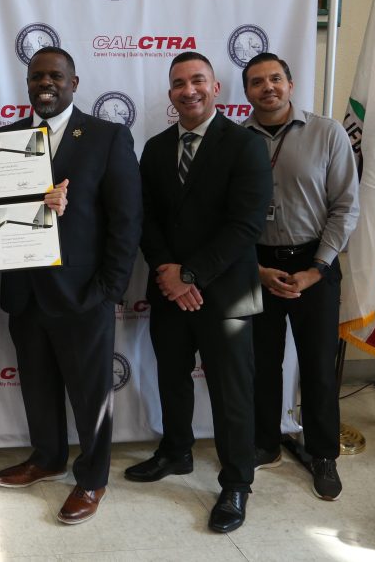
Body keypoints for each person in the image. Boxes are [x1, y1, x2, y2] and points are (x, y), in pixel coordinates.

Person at [0, 47, 142, 525]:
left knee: (91, 394)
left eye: (55, 76)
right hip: (24, 294)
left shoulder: (106, 137)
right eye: (36, 77)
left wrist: (110, 289)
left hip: (84, 295)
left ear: (74, 81)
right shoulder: (4, 140)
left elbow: (127, 220)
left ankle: (92, 478)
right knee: (37, 386)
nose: (44, 84)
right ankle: (48, 457)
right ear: (28, 83)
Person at [127, 51, 272, 533]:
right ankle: (176, 451)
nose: (187, 89)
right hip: (170, 291)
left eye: (197, 81)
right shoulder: (154, 147)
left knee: (232, 393)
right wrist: (169, 272)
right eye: (178, 83)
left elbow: (245, 224)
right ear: (170, 94)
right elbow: (144, 218)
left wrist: (190, 275)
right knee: (171, 376)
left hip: (224, 294)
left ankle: (235, 483)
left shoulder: (245, 145)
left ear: (215, 88)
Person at [241, 53, 358, 501]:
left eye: (275, 79)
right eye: (256, 82)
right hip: (257, 264)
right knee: (261, 362)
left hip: (315, 262)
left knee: (317, 365)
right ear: (246, 91)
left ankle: (324, 452)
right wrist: (254, 269)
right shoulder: (235, 140)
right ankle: (265, 443)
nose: (266, 87)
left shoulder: (327, 133)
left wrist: (317, 268)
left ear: (290, 85)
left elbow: (345, 206)